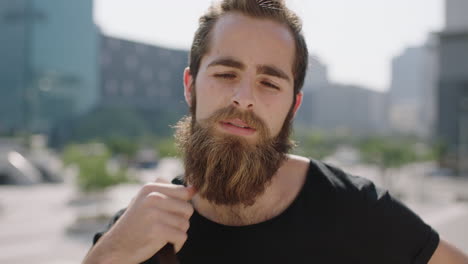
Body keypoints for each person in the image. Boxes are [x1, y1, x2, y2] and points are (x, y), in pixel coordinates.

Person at [83, 0, 468, 263]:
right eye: (225, 73)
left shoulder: (354, 207)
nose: (244, 98)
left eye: (269, 83)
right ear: (190, 85)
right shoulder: (137, 231)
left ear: (293, 106)